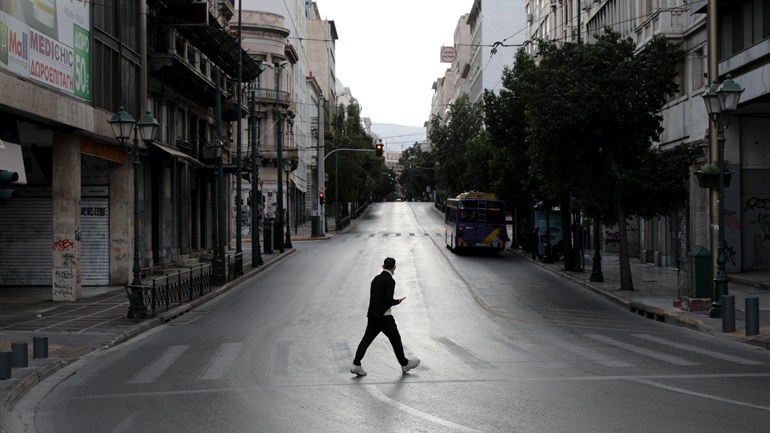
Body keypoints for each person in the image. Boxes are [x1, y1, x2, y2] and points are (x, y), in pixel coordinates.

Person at [351, 257, 420, 376]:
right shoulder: (390, 281)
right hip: (385, 317)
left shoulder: (376, 279)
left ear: (383, 266)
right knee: (395, 339)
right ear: (394, 268)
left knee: (366, 341)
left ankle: (356, 364)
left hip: (373, 316)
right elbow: (387, 300)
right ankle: (404, 364)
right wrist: (397, 301)